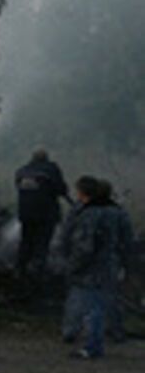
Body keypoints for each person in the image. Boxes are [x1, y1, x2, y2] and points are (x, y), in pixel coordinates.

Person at [58, 175, 115, 359]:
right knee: (94, 306)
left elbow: (84, 247)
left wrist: (72, 266)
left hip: (90, 270)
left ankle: (92, 347)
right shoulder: (105, 212)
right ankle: (91, 343)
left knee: (91, 307)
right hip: (101, 266)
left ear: (82, 192)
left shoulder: (89, 215)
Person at [14, 149, 69, 276]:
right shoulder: (51, 169)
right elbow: (61, 189)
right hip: (46, 214)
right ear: (46, 158)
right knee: (42, 244)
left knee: (26, 241)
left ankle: (20, 269)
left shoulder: (21, 171)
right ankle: (37, 272)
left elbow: (18, 188)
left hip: (26, 214)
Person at [96, 179, 135, 343]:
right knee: (110, 294)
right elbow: (127, 239)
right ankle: (114, 329)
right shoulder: (118, 213)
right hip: (110, 258)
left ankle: (83, 330)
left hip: (87, 260)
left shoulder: (83, 211)